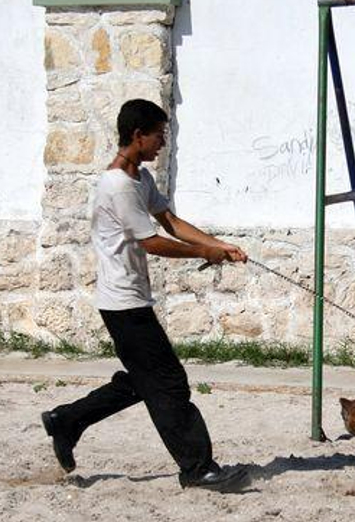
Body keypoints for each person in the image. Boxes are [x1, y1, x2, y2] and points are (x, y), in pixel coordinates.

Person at [41, 99, 250, 492]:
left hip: (130, 300)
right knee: (169, 385)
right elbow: (152, 242)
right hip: (123, 304)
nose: (162, 144)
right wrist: (204, 253)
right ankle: (197, 468)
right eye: (159, 136)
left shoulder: (141, 178)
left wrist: (218, 245)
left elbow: (169, 222)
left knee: (144, 381)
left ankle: (66, 421)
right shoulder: (117, 185)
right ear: (138, 136)